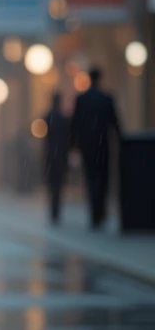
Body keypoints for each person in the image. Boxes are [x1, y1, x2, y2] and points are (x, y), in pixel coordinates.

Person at [70, 66, 121, 229]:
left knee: (91, 178)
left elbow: (75, 124)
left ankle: (95, 212)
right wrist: (121, 141)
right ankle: (100, 210)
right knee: (103, 178)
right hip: (103, 145)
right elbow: (115, 122)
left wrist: (73, 145)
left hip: (87, 145)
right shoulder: (107, 98)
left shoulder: (81, 99)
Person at [43, 92, 71, 223]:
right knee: (58, 183)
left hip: (50, 155)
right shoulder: (64, 119)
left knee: (52, 183)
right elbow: (68, 138)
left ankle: (54, 208)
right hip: (61, 155)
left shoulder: (47, 117)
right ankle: (56, 208)